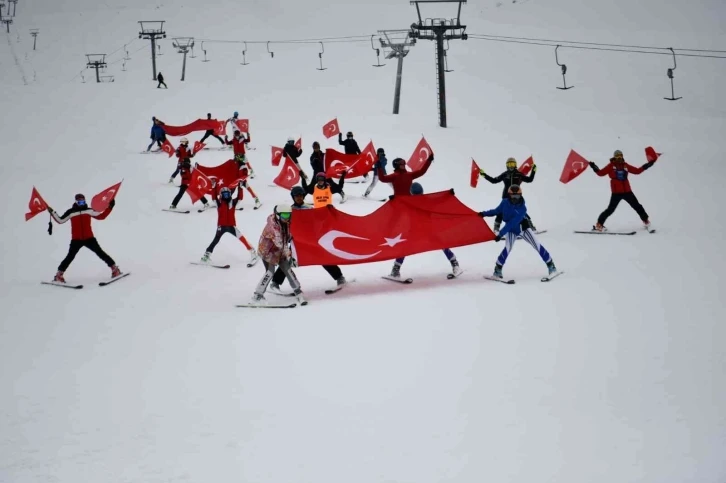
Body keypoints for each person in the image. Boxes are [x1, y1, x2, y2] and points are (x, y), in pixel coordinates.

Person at [269, 186, 347, 294]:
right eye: (296, 196)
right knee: (287, 261)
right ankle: (275, 283)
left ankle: (340, 278)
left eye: (300, 195)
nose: (299, 198)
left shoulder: (309, 208)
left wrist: (328, 210)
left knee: (323, 258)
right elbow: (283, 223)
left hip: (310, 240)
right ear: (293, 197)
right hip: (296, 242)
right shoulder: (290, 210)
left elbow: (319, 220)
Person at [478, 185, 557, 279]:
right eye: (513, 196)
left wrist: (500, 234)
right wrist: (483, 214)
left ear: (520, 195)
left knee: (537, 245)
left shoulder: (522, 208)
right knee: (507, 248)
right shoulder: (504, 202)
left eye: (517, 196)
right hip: (511, 230)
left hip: (523, 229)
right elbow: (496, 211)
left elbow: (512, 223)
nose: (515, 198)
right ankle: (497, 271)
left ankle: (551, 266)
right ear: (509, 195)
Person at [387, 183, 462, 280]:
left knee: (406, 248)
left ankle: (395, 269)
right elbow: (439, 200)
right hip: (418, 231)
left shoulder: (418, 201)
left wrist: (394, 201)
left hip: (426, 230)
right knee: (440, 245)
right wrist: (448, 195)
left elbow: (438, 200)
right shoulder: (413, 202)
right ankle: (455, 263)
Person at [47, 194, 122, 283]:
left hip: (89, 238)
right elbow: (60, 220)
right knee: (70, 257)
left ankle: (115, 269)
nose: (82, 203)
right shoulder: (71, 212)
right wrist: (52, 212)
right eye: (80, 202)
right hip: (76, 240)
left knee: (100, 253)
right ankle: (59, 275)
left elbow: (102, 216)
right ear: (76, 202)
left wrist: (110, 207)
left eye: (83, 201)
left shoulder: (89, 210)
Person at [250, 204, 306, 305]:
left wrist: (292, 237)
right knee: (270, 272)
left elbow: (287, 236)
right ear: (278, 215)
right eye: (284, 215)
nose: (287, 218)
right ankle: (257, 295)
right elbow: (279, 243)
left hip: (279, 251)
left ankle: (298, 291)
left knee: (287, 269)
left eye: (288, 215)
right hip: (268, 252)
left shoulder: (285, 222)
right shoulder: (273, 227)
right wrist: (290, 256)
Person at [589, 149, 655, 232]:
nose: (619, 157)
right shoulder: (611, 166)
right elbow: (601, 173)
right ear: (614, 157)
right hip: (616, 193)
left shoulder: (625, 165)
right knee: (610, 210)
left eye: (620, 155)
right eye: (617, 156)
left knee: (637, 206)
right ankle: (599, 224)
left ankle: (646, 221)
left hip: (627, 192)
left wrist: (647, 165)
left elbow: (637, 171)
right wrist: (594, 167)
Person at [200, 183, 258, 265]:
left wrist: (240, 188)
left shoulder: (233, 202)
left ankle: (252, 252)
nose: (226, 196)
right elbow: (214, 198)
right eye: (224, 194)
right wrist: (214, 187)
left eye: (228, 194)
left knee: (242, 239)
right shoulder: (219, 203)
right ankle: (206, 255)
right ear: (221, 195)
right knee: (215, 240)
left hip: (231, 226)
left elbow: (240, 198)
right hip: (221, 226)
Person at [478, 157, 537, 234]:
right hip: (506, 197)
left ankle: (531, 227)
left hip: (517, 197)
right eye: (509, 164)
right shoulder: (505, 174)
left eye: (512, 164)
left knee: (521, 211)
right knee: (501, 211)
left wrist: (533, 171)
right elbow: (494, 180)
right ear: (506, 165)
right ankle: (496, 228)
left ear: (515, 165)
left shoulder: (519, 174)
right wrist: (484, 175)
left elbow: (529, 180)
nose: (511, 166)